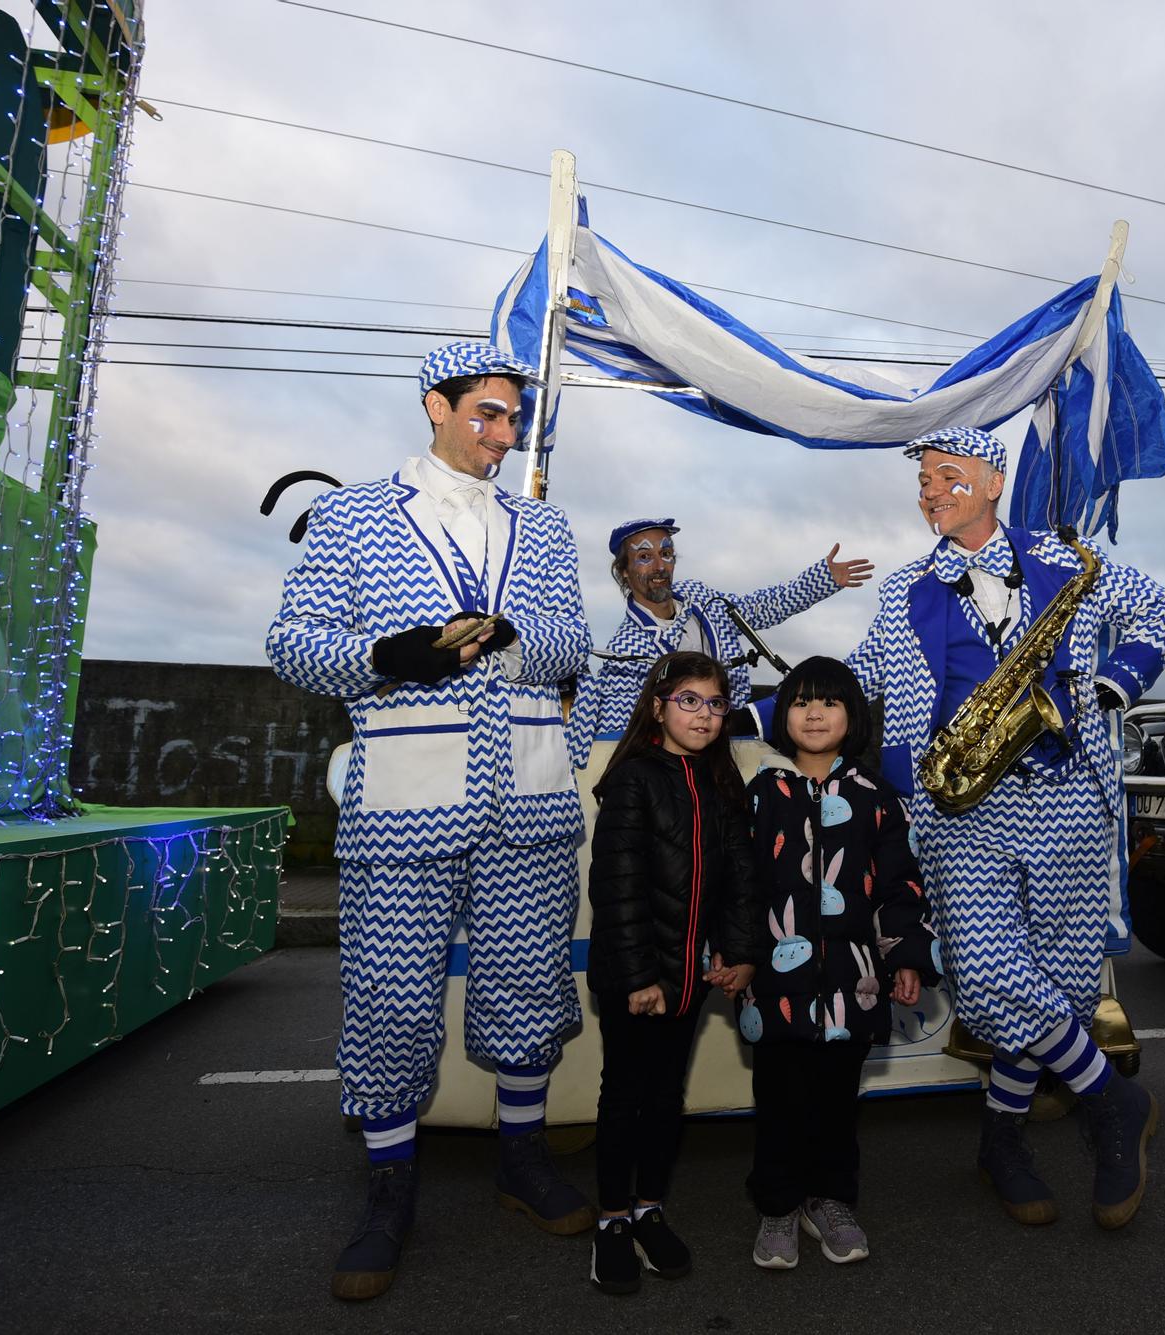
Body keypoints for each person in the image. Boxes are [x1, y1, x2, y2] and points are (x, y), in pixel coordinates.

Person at [266, 340, 596, 1301]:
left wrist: (519, 642)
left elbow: (576, 643)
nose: (501, 435)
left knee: (529, 988)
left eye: (512, 420)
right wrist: (394, 653)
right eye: (486, 415)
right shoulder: (355, 513)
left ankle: (522, 1157)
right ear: (435, 406)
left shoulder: (544, 526)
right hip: (408, 800)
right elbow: (293, 642)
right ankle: (389, 1185)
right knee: (393, 998)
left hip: (529, 802)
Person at [840, 425, 1165, 1229]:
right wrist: (755, 703)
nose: (930, 490)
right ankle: (1113, 1100)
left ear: (994, 482)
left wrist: (1108, 685)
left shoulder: (1071, 561)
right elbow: (863, 673)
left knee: (1061, 987)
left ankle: (1000, 1139)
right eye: (923, 480)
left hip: (1067, 793)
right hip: (964, 804)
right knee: (993, 976)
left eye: (947, 475)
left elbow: (1161, 610)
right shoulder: (905, 587)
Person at [739, 655, 942, 1269]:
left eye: (829, 701)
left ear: (852, 715)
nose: (815, 712)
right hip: (775, 984)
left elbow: (900, 885)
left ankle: (829, 1200)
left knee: (834, 1102)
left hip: (853, 986)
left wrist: (904, 955)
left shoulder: (876, 795)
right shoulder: (760, 793)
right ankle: (778, 1206)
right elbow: (739, 884)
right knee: (779, 1100)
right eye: (801, 701)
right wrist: (733, 954)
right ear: (784, 716)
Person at [584, 650, 761, 1295]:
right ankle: (609, 1222)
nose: (705, 715)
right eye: (689, 700)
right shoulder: (633, 778)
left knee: (665, 1099)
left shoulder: (721, 781)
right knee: (625, 1097)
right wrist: (638, 978)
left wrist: (739, 953)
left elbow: (739, 878)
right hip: (638, 978)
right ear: (658, 707)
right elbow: (618, 886)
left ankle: (648, 1208)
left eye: (716, 704)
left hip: (689, 979)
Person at [584, 517, 874, 739]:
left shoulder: (701, 598)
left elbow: (760, 607)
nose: (660, 566)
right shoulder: (623, 652)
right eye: (645, 557)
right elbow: (622, 736)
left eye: (667, 553)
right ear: (623, 570)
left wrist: (821, 579)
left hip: (741, 739)